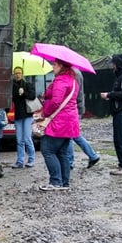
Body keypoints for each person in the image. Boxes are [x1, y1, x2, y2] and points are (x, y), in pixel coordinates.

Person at [37, 60, 80, 190]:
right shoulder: (72, 80)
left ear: (61, 66)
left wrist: (44, 112)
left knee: (48, 149)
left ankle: (55, 181)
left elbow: (56, 101)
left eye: (54, 64)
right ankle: (64, 182)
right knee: (62, 153)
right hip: (70, 122)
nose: (52, 66)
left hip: (59, 122)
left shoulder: (61, 81)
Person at [100, 54, 122, 175]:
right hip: (118, 112)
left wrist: (109, 95)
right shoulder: (121, 76)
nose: (112, 66)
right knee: (118, 139)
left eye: (113, 63)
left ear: (117, 64)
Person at [65, 68, 100, 170]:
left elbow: (73, 92)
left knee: (70, 135)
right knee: (74, 134)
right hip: (77, 107)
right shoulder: (75, 72)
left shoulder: (73, 73)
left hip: (73, 108)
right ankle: (92, 155)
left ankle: (70, 162)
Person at [10, 66, 37, 168]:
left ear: (22, 74)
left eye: (19, 73)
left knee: (27, 138)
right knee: (19, 140)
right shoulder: (12, 86)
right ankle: (20, 161)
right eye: (16, 73)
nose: (17, 75)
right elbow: (11, 98)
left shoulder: (27, 84)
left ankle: (31, 159)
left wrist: (23, 92)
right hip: (18, 115)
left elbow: (33, 96)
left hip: (27, 114)